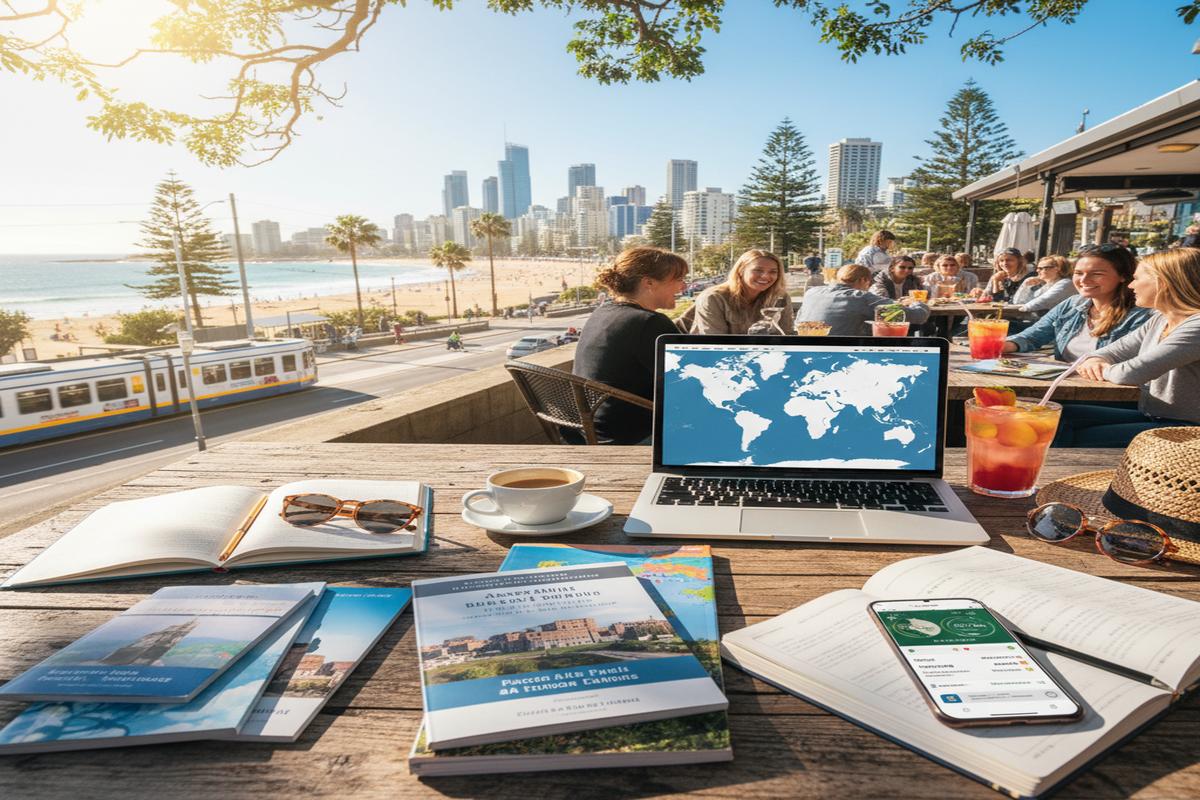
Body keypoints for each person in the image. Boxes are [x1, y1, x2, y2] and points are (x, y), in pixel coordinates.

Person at [1053, 249, 1200, 446]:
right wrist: (1096, 360)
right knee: (1057, 414)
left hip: (1187, 430)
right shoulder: (1160, 319)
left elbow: (1131, 373)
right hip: (1156, 416)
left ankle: (1071, 473)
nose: (1131, 285)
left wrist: (1103, 368)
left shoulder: (1196, 326)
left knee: (1073, 437)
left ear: (1163, 282)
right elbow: (1112, 351)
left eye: (1137, 278)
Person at [573, 246, 687, 444]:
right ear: (649, 283)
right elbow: (687, 383)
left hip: (588, 431)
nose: (683, 287)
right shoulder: (650, 322)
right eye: (678, 279)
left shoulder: (603, 312)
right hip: (631, 436)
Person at [1002, 244, 1151, 361]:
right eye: (1078, 273)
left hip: (1105, 395)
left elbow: (1131, 364)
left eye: (1097, 274)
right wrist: (1002, 345)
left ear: (1123, 276)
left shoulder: (1141, 315)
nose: (1084, 280)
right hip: (1062, 386)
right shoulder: (1073, 304)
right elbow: (1033, 336)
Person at [797, 264, 930, 336]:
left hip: (808, 348)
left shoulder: (812, 292)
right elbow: (918, 316)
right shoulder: (861, 297)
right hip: (844, 352)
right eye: (869, 284)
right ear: (863, 280)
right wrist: (916, 302)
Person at [690, 249, 795, 335]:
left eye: (773, 272)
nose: (766, 276)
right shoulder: (713, 298)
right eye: (758, 270)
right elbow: (716, 343)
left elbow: (787, 335)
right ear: (741, 270)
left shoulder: (781, 298)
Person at [1012, 255, 1076, 316]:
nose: (1037, 270)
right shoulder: (1046, 284)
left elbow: (1039, 303)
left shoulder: (1065, 283)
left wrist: (1016, 310)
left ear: (1057, 269)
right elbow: (1018, 302)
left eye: (1041, 268)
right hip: (1036, 321)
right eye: (1037, 268)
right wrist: (1026, 285)